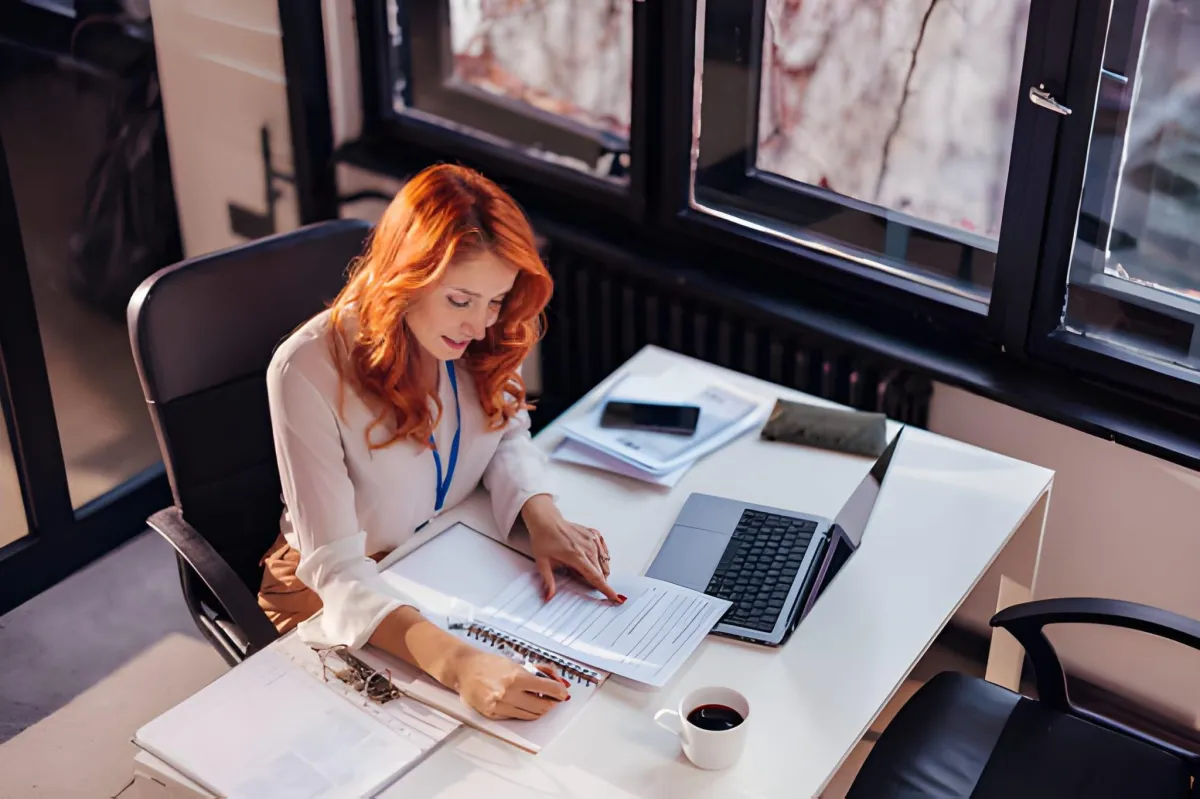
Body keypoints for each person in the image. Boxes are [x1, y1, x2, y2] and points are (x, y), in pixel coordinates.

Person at [256, 164, 621, 722]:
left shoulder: (484, 334)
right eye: (461, 300)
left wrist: (540, 512)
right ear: (407, 275)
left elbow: (504, 431)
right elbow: (336, 573)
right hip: (344, 584)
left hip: (448, 551)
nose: (480, 325)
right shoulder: (305, 368)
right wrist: (459, 666)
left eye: (496, 301)